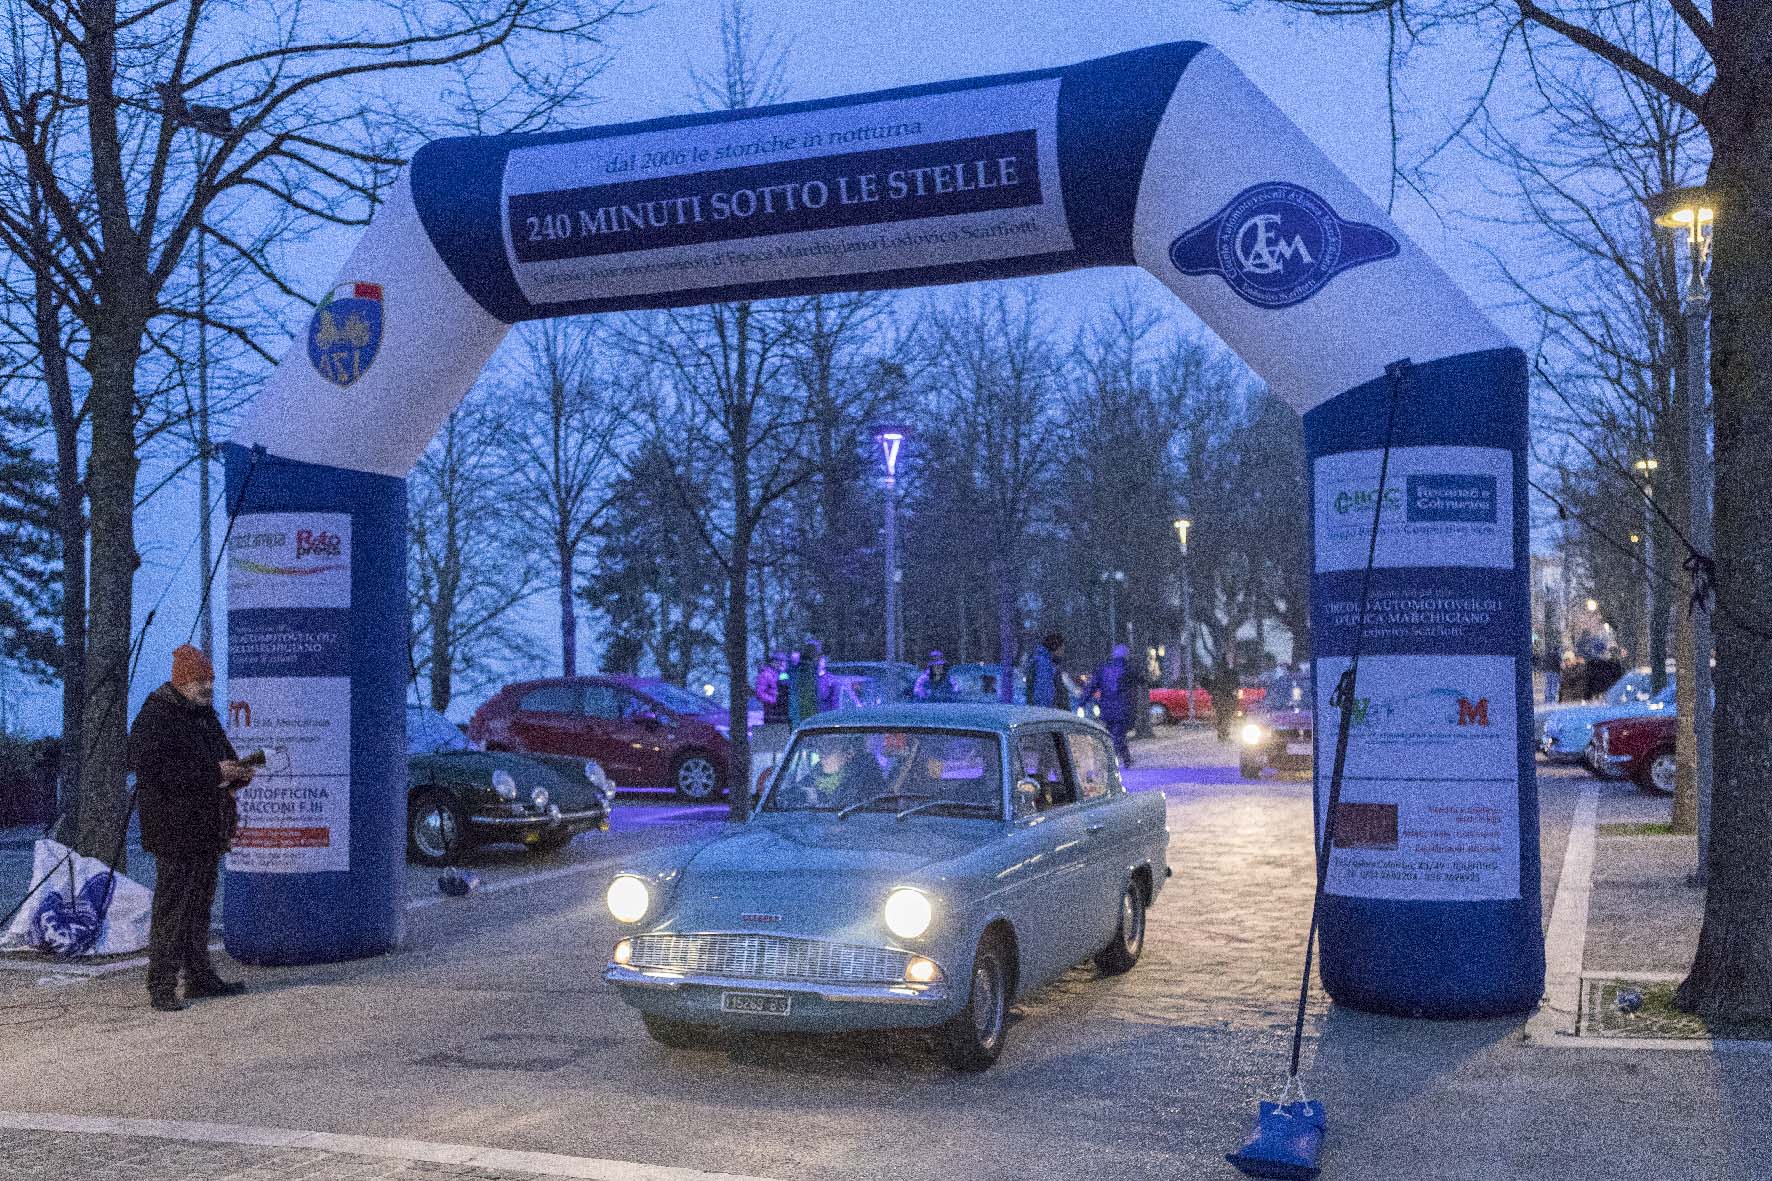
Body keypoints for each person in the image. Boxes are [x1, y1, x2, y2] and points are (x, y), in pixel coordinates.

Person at [128, 644, 256, 1012]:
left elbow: (222, 758)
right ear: (181, 682)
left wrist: (237, 772)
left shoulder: (204, 715)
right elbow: (153, 771)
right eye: (200, 680)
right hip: (174, 829)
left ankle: (199, 978)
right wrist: (215, 773)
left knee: (198, 906)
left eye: (210, 679)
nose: (208, 687)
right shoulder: (156, 716)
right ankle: (162, 985)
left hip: (205, 827)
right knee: (173, 908)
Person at [1089, 644, 1135, 766]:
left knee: (1113, 734)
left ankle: (1124, 758)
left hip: (1107, 708)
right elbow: (1138, 679)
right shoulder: (1127, 668)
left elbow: (1092, 686)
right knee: (1119, 735)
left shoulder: (1104, 669)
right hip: (1121, 707)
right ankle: (1114, 760)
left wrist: (1082, 700)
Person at [1026, 632, 1071, 711]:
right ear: (1054, 647)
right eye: (1061, 649)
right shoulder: (1044, 664)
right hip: (1047, 713)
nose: (1063, 652)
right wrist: (1050, 712)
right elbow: (1044, 693)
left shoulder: (1048, 663)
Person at [788, 637, 823, 725]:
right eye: (818, 653)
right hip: (805, 715)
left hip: (804, 713)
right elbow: (807, 695)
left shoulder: (806, 669)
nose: (819, 657)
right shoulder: (805, 670)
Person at [754, 654, 787, 725]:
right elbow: (760, 693)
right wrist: (772, 700)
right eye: (777, 661)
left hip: (780, 707)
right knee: (772, 725)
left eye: (781, 661)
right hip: (770, 708)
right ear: (772, 663)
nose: (779, 663)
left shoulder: (779, 674)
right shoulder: (765, 675)